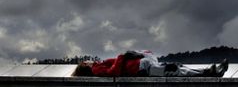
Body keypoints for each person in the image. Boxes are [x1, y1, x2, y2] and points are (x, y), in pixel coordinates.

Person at [72, 50, 229, 77]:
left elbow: (118, 62)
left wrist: (139, 54)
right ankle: (211, 73)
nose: (90, 60)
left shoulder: (102, 64)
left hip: (143, 64)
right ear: (86, 67)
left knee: (176, 67)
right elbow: (114, 72)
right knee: (175, 71)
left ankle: (208, 70)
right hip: (141, 70)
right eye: (86, 62)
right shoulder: (97, 71)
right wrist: (122, 56)